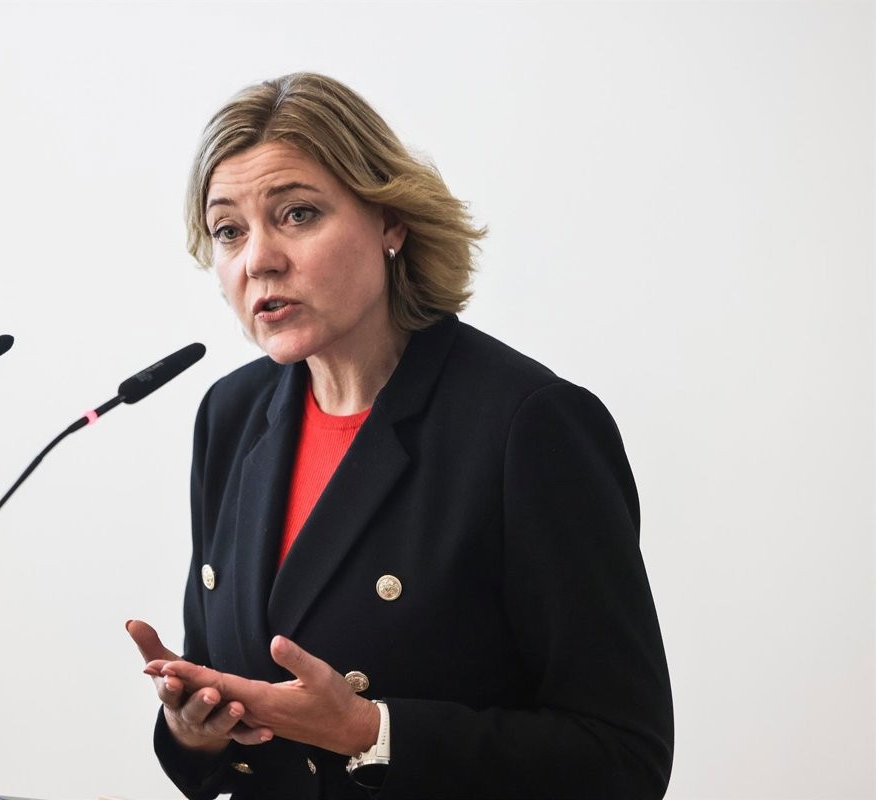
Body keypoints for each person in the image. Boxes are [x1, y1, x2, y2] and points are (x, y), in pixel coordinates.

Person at [126, 72, 673, 799]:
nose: (258, 259)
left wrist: (370, 732)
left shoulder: (529, 425)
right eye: (230, 230)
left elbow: (624, 758)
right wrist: (196, 727)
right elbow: (230, 704)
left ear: (391, 223)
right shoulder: (231, 413)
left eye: (297, 214)